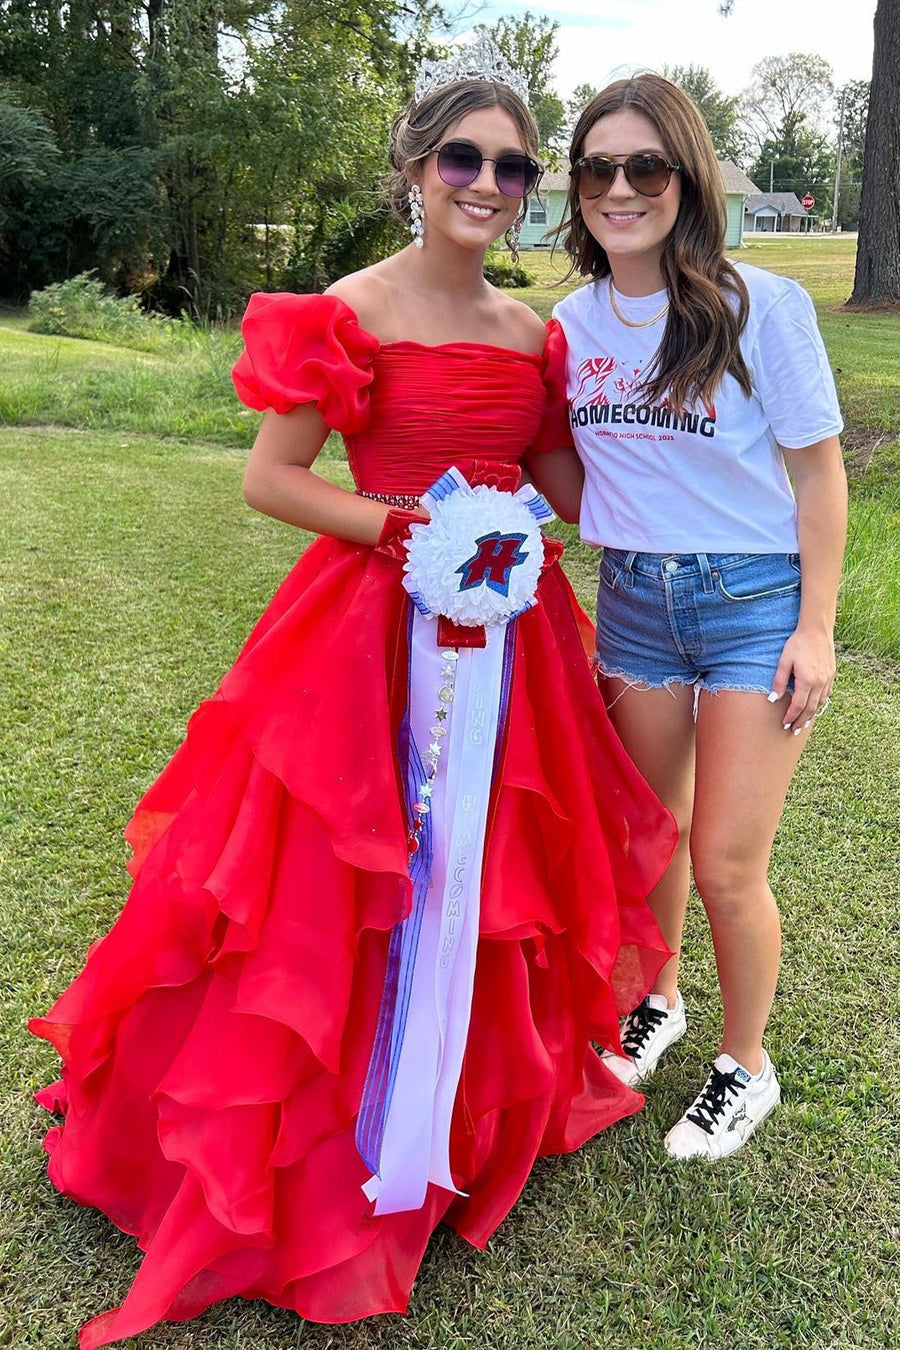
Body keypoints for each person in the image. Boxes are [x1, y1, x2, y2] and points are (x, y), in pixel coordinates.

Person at [29, 43, 676, 1348]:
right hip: (371, 630)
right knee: (344, 870)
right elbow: (274, 479)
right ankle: (333, 1128)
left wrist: (701, 490)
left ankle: (449, 1102)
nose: (488, 182)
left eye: (511, 164)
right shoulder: (345, 309)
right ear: (416, 169)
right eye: (465, 157)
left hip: (513, 641)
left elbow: (563, 483)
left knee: (486, 870)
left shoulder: (529, 330)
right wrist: (402, 534)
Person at [552, 73, 847, 1161]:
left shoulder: (762, 304)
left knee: (726, 861)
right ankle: (659, 1002)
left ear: (687, 177)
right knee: (650, 836)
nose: (619, 188)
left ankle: (746, 1066)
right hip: (632, 602)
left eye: (645, 167)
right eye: (596, 167)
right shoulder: (572, 321)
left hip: (750, 605)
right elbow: (576, 466)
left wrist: (814, 628)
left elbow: (819, 481)